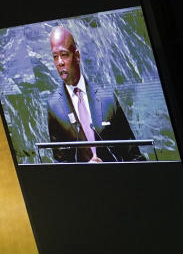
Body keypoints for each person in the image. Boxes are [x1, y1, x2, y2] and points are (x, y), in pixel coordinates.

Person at [45, 26, 145, 163]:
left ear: (77, 55)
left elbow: (133, 154)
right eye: (55, 57)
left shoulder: (107, 98)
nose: (60, 62)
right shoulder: (54, 106)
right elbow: (61, 165)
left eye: (64, 55)